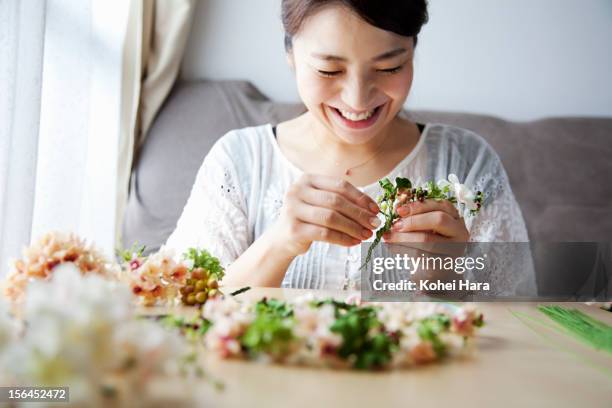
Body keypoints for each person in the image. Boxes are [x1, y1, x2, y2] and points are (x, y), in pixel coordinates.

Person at [166, 0, 536, 295]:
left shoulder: (467, 163)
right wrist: (279, 244)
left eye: (390, 67)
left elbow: (524, 326)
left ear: (413, 52)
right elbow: (178, 308)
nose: (358, 99)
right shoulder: (239, 161)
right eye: (329, 71)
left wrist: (450, 280)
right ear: (291, 54)